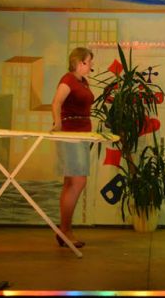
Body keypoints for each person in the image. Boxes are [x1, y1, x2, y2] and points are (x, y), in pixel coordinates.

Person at [51, 47, 95, 248]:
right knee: (78, 181)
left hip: (82, 133)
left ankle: (64, 230)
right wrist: (57, 123)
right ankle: (65, 230)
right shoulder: (68, 79)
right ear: (79, 62)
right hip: (71, 133)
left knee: (71, 182)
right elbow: (56, 103)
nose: (91, 65)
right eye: (89, 61)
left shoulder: (83, 82)